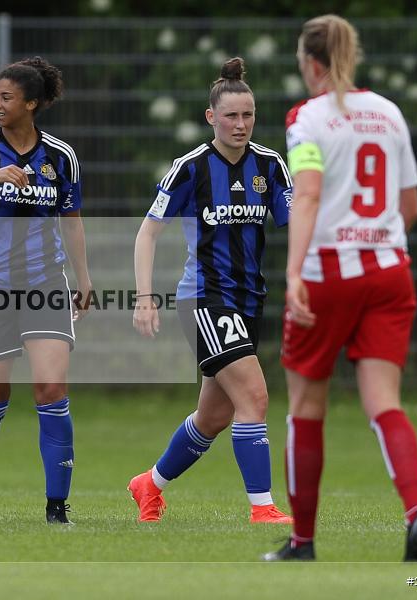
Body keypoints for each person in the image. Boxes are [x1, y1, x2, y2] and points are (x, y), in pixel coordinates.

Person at [264, 15, 417, 562]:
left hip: (328, 272)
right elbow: (409, 207)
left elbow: (307, 196)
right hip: (390, 271)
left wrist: (294, 274)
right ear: (350, 57)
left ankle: (303, 542)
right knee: (385, 402)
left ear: (310, 63)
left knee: (306, 405)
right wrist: (378, 238)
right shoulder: (389, 112)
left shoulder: (307, 117)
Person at [128, 57, 293, 525]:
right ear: (211, 117)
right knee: (255, 397)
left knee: (215, 416)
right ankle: (262, 509)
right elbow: (147, 233)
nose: (240, 125)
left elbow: (298, 226)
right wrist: (144, 297)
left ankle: (149, 484)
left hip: (248, 300)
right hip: (203, 297)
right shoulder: (191, 168)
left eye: (248, 115)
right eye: (231, 116)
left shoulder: (270, 166)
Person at [0, 56, 92, 524]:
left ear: (32, 103)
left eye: (6, 97)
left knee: (51, 389)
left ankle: (57, 509)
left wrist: (84, 279)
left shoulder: (60, 157)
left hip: (46, 283)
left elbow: (72, 221)